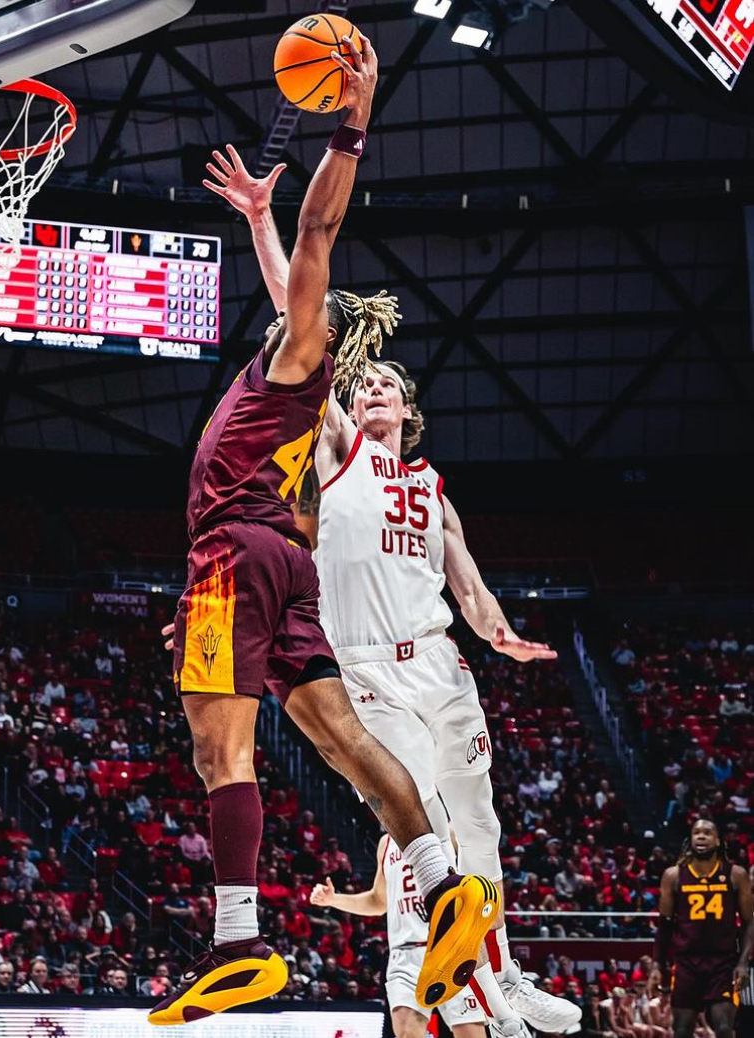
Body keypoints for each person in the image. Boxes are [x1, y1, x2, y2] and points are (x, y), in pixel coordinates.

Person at [201, 139, 580, 1038]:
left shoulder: (433, 487)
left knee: (479, 826)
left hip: (444, 667)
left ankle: (504, 975)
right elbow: (298, 316)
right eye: (357, 383)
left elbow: (470, 585)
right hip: (365, 668)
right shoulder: (333, 447)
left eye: (379, 386)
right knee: (428, 832)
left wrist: (498, 635)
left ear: (405, 408)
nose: (365, 390)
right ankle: (436, 989)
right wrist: (261, 220)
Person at [154, 31, 497, 1027]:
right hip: (284, 568)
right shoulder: (286, 391)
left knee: (221, 751)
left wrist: (351, 121)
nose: (290, 303)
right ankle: (445, 889)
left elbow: (315, 246)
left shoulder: (304, 360)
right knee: (342, 740)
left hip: (234, 556)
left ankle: (238, 947)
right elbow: (284, 268)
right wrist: (257, 217)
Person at [312, 834, 491, 1038]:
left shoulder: (448, 829)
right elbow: (379, 901)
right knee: (407, 1033)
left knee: (470, 1032)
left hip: (451, 947)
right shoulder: (385, 843)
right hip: (405, 953)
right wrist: (334, 899)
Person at [656, 819, 753, 1038]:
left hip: (723, 962)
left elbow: (749, 922)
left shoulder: (736, 874)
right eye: (696, 832)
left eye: (707, 833)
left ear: (718, 841)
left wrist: (743, 963)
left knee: (724, 1026)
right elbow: (664, 926)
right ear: (690, 840)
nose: (701, 836)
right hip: (686, 963)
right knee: (681, 1029)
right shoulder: (673, 876)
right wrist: (657, 964)